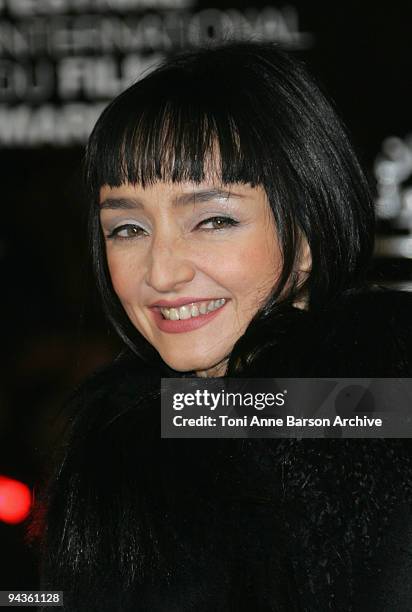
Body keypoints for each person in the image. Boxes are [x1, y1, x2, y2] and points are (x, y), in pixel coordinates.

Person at [36, 42, 412, 611]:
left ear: (308, 230)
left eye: (214, 220)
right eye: (128, 229)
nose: (161, 272)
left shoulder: (386, 414)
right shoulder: (120, 460)